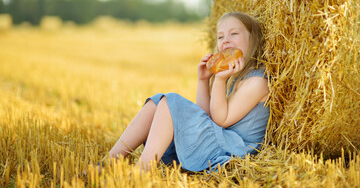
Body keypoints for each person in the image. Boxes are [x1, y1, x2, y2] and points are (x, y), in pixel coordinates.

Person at [106, 12, 270, 172]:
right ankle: (108, 162)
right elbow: (206, 115)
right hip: (219, 141)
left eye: (234, 34)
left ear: (253, 40)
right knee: (157, 101)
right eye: (220, 37)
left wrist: (219, 80)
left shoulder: (257, 82)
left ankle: (140, 172)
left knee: (172, 101)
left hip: (234, 151)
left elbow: (221, 120)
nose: (226, 40)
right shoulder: (235, 77)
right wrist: (203, 80)